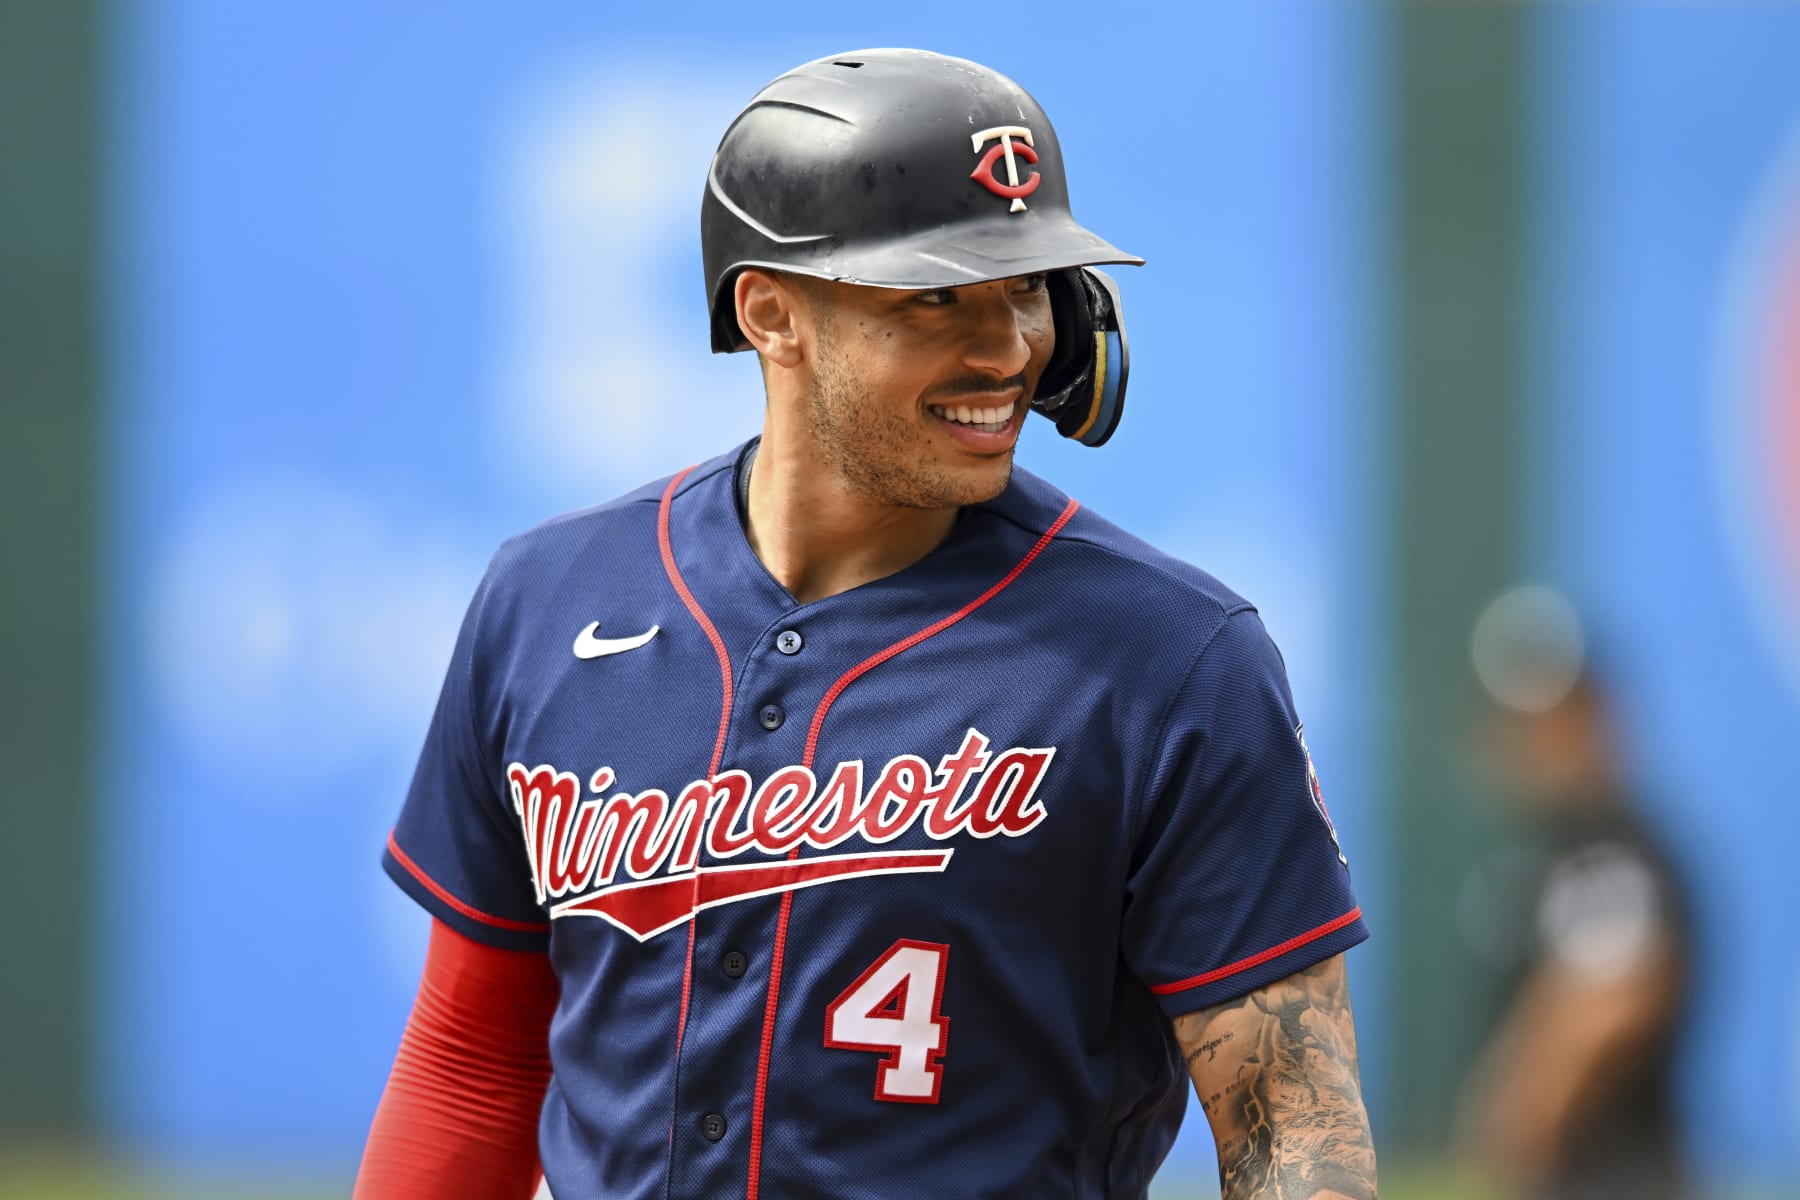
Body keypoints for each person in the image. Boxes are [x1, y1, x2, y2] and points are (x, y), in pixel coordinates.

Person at [354, 48, 1374, 1200]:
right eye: (936, 298)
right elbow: (472, 1062)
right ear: (771, 312)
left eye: (1029, 288)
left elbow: (1293, 1129)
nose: (1007, 351)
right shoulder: (547, 601)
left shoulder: (1172, 660)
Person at [1455, 587, 1690, 1200]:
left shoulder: (1606, 848)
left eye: (1554, 716)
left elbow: (1611, 1001)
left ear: (1596, 715)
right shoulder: (1557, 848)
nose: (1532, 738)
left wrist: (1516, 1115)